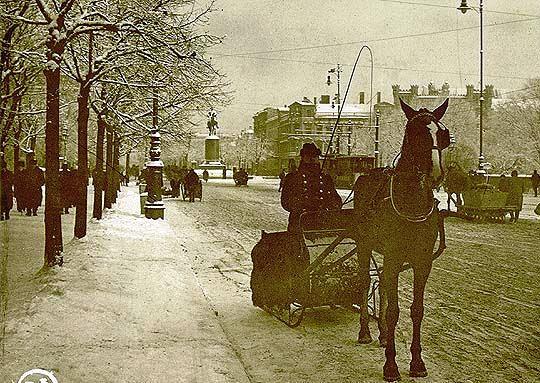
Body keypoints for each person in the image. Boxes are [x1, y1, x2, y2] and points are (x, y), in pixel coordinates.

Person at [281, 142, 342, 233]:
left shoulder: (325, 178)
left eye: (315, 156)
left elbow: (336, 198)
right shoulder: (292, 178)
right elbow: (285, 202)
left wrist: (332, 206)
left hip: (323, 223)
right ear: (303, 158)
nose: (312, 159)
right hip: (299, 223)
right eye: (308, 156)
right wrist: (300, 208)